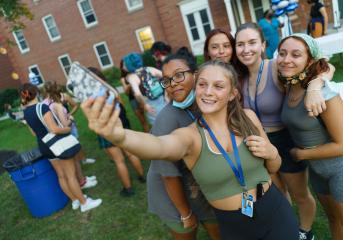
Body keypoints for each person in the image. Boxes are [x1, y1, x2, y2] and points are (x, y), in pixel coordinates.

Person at [82, 60, 299, 240]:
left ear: (232, 94)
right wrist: (119, 136)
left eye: (218, 86)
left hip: (274, 208)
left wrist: (271, 153)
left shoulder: (248, 118)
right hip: (235, 224)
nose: (208, 92)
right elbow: (158, 146)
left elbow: (273, 166)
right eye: (202, 84)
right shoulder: (190, 137)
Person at [234, 22, 335, 240]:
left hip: (285, 141)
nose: (246, 49)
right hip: (260, 144)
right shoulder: (240, 77)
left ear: (263, 45)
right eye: (240, 44)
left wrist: (316, 87)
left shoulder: (275, 67)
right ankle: (287, 227)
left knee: (300, 194)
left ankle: (306, 232)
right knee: (278, 194)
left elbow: (325, 66)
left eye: (252, 42)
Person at [278, 33, 343, 240]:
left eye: (296, 54)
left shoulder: (324, 92)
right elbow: (327, 68)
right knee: (334, 219)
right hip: (318, 171)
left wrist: (301, 155)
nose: (287, 59)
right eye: (282, 53)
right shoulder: (290, 85)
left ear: (310, 60)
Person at [147, 47, 221, 239]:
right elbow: (168, 176)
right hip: (171, 193)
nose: (172, 84)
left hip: (196, 184)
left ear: (196, 75)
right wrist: (185, 213)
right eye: (167, 80)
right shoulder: (166, 121)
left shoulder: (204, 103)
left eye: (179, 75)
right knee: (188, 232)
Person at [20, 83, 102, 212]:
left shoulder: (26, 112)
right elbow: (54, 129)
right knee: (70, 175)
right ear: (36, 93)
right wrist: (67, 129)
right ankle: (84, 203)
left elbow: (34, 133)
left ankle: (75, 200)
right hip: (56, 144)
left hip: (44, 146)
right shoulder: (42, 107)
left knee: (61, 176)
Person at [88, 67, 146, 197]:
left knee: (119, 160)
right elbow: (121, 105)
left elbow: (92, 117)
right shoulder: (110, 89)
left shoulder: (90, 96)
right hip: (121, 123)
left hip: (106, 128)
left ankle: (128, 188)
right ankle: (142, 176)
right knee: (130, 153)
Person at [42, 81, 98, 191]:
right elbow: (64, 123)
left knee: (73, 160)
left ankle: (82, 179)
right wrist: (70, 119)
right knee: (74, 160)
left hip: (57, 135)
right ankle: (82, 182)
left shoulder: (44, 104)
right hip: (65, 133)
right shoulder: (55, 104)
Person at [122, 53, 166, 125]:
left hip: (150, 103)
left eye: (124, 64)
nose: (123, 66)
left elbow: (137, 94)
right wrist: (166, 93)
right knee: (170, 120)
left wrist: (144, 104)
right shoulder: (149, 69)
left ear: (129, 65)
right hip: (163, 99)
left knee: (159, 126)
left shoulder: (132, 77)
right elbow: (166, 76)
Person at [119, 59, 150, 132]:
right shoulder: (123, 79)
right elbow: (126, 93)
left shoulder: (137, 73)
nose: (126, 66)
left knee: (151, 116)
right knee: (143, 121)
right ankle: (149, 135)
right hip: (133, 100)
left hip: (142, 97)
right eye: (124, 65)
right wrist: (131, 84)